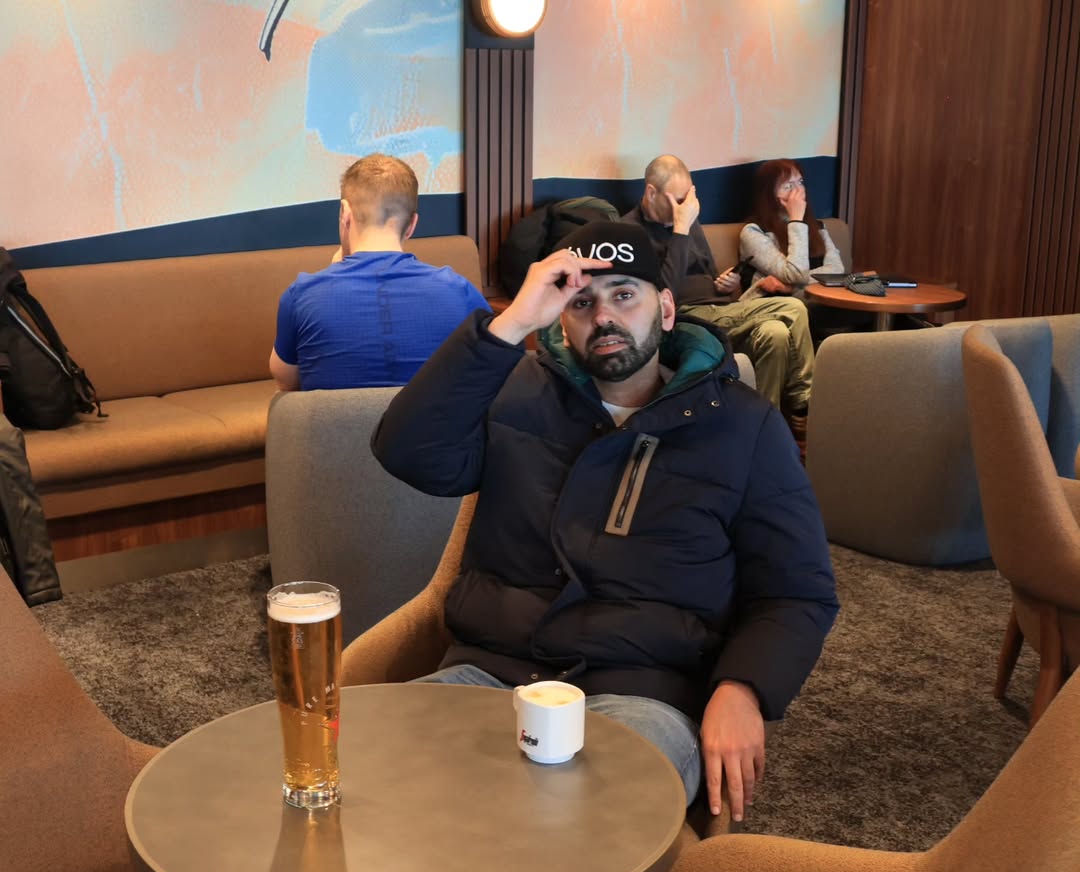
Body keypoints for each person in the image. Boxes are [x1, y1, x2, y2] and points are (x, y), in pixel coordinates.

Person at [371, 220, 838, 824]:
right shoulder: (514, 393)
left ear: (665, 309)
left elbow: (796, 591)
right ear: (560, 322)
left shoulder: (742, 427)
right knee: (372, 777)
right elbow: (408, 452)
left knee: (583, 823)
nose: (604, 317)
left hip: (643, 691)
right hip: (490, 672)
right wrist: (510, 323)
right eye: (581, 303)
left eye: (624, 295)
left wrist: (743, 688)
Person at [622, 154, 816, 454]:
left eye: (689, 198)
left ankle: (764, 431)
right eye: (680, 200)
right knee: (792, 308)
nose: (686, 207)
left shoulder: (689, 222)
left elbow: (708, 279)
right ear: (651, 193)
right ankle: (803, 403)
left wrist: (726, 284)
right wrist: (681, 230)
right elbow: (662, 296)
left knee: (775, 334)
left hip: (718, 310)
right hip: (685, 319)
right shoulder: (631, 233)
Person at [269, 154, 489, 392]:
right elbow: (488, 369)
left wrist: (331, 274)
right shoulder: (460, 293)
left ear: (344, 213)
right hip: (431, 418)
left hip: (337, 419)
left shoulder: (301, 296)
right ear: (412, 225)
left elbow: (287, 383)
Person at [739, 158, 845, 300]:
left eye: (800, 182)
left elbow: (837, 270)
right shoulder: (753, 231)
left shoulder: (818, 227)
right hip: (775, 304)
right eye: (788, 186)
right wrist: (796, 220)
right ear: (769, 194)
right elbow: (795, 275)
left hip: (814, 299)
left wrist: (792, 287)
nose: (798, 191)